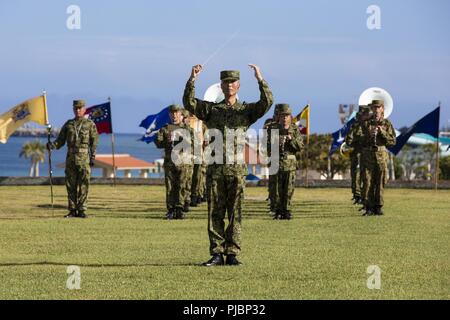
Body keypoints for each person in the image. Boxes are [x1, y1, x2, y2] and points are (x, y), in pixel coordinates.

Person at [183, 64, 273, 266]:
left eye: (232, 82)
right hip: (215, 169)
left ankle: (232, 253)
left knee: (235, 212)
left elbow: (267, 102)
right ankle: (216, 253)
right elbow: (188, 102)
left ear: (238, 86)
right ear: (221, 86)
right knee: (215, 211)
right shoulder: (211, 110)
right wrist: (192, 79)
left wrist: (260, 79)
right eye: (225, 82)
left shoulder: (246, 111)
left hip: (237, 171)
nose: (229, 85)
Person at [47, 100, 98, 218]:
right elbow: (60, 141)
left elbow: (94, 142)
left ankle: (82, 210)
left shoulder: (90, 124)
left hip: (84, 159)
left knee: (84, 184)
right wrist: (52, 145)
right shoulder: (68, 124)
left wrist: (93, 156)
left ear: (84, 109)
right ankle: (72, 210)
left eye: (80, 108)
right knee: (70, 184)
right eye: (75, 108)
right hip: (71, 159)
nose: (78, 110)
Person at [155, 105, 193, 220]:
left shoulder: (188, 130)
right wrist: (167, 141)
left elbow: (194, 143)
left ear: (181, 115)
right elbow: (158, 143)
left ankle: (180, 209)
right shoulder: (165, 129)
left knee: (182, 186)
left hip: (184, 163)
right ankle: (171, 210)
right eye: (172, 113)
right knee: (170, 186)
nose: (174, 115)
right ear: (169, 115)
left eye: (177, 113)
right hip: (170, 162)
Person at [359, 100, 396, 216]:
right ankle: (369, 207)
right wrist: (368, 134)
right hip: (368, 156)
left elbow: (392, 141)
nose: (375, 110)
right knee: (368, 181)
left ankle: (378, 206)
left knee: (380, 181)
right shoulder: (366, 123)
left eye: (378, 107)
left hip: (381, 157)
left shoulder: (387, 124)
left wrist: (382, 132)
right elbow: (359, 141)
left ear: (382, 109)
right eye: (374, 108)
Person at [272, 104, 303, 220]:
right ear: (278, 116)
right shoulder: (273, 128)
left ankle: (287, 210)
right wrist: (277, 143)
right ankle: (278, 211)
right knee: (277, 189)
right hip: (277, 163)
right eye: (282, 115)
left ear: (291, 117)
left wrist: (291, 140)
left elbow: (300, 146)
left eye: (287, 116)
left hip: (290, 164)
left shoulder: (295, 129)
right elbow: (266, 147)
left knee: (289, 189)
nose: (284, 118)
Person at [263, 104, 282, 216]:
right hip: (272, 155)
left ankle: (281, 205)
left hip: (282, 157)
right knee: (273, 182)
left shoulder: (284, 124)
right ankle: (273, 203)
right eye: (277, 112)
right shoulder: (269, 122)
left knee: (281, 183)